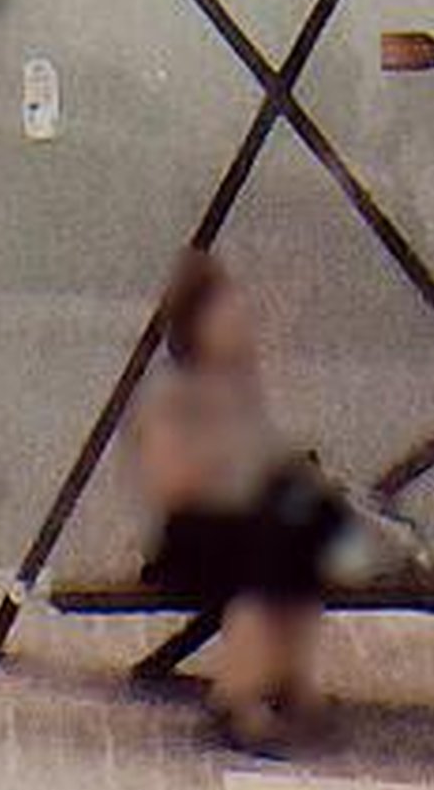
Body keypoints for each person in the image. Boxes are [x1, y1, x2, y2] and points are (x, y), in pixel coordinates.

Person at [133, 248, 338, 750]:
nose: (239, 325)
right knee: (263, 561)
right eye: (227, 315)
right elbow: (171, 483)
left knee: (298, 536)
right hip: (192, 534)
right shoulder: (173, 394)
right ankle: (238, 697)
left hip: (237, 528)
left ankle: (290, 680)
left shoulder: (237, 387)